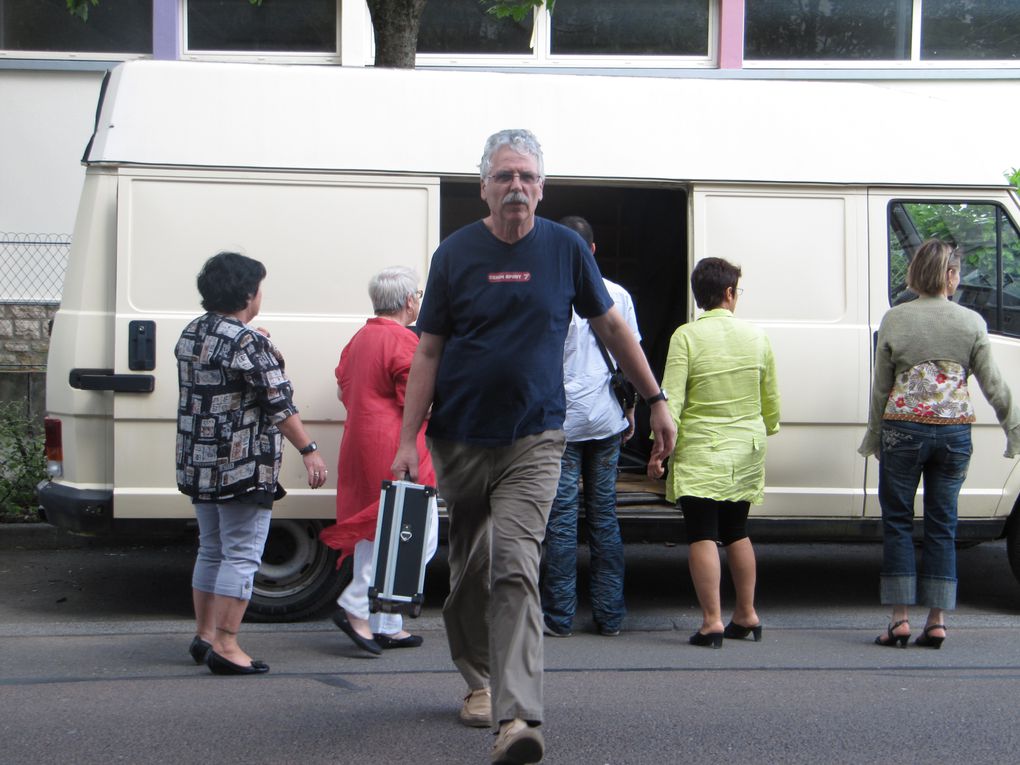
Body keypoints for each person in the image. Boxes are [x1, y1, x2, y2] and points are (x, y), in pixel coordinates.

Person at [391, 128, 676, 765]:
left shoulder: (565, 249)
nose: (515, 187)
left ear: (541, 189)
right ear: (483, 187)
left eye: (526, 177)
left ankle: (516, 718)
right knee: (468, 567)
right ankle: (479, 680)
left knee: (516, 563)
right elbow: (429, 349)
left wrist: (656, 399)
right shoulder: (455, 254)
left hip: (538, 436)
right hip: (460, 437)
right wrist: (408, 440)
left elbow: (611, 327)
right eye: (504, 177)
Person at [860, 239, 1020, 649]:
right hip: (953, 435)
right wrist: (1014, 431)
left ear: (916, 273)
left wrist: (874, 436)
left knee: (897, 521)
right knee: (942, 526)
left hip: (903, 431)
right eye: (957, 271)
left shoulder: (895, 319)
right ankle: (937, 621)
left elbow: (881, 389)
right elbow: (995, 386)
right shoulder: (971, 323)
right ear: (949, 275)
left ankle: (898, 621)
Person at [176, 251, 327, 675]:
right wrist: (309, 449)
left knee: (212, 548)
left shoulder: (192, 333)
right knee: (242, 554)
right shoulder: (246, 340)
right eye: (259, 287)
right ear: (247, 293)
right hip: (240, 464)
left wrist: (254, 339)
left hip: (198, 462)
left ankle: (204, 636)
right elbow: (278, 402)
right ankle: (226, 645)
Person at [661, 257, 780, 649]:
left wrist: (659, 448)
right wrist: (769, 425)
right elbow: (770, 400)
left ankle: (712, 622)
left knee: (702, 533)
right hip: (744, 448)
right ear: (729, 293)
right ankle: (746, 615)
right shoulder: (757, 337)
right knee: (736, 532)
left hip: (700, 448)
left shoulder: (686, 337)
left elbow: (671, 398)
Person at [319, 266, 437, 655]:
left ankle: (387, 621)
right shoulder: (404, 341)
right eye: (417, 293)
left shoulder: (359, 339)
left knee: (376, 533)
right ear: (408, 301)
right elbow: (417, 402)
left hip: (360, 443)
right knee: (415, 533)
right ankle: (356, 605)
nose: (419, 299)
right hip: (396, 446)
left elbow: (343, 391)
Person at [540, 215, 639, 639]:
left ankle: (559, 618)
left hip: (560, 422)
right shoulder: (617, 294)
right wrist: (632, 411)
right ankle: (609, 617)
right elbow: (629, 354)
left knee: (560, 521)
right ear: (592, 250)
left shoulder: (546, 292)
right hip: (605, 419)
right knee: (604, 519)